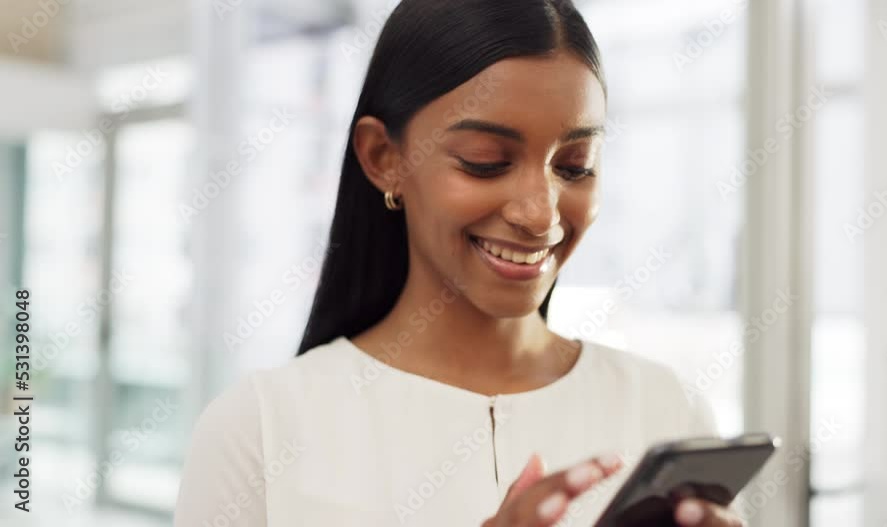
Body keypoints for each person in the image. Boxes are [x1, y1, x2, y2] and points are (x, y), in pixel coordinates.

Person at [174, 0, 743, 525]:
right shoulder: (261, 430)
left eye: (574, 165)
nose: (540, 214)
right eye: (485, 161)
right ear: (383, 158)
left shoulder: (666, 408)